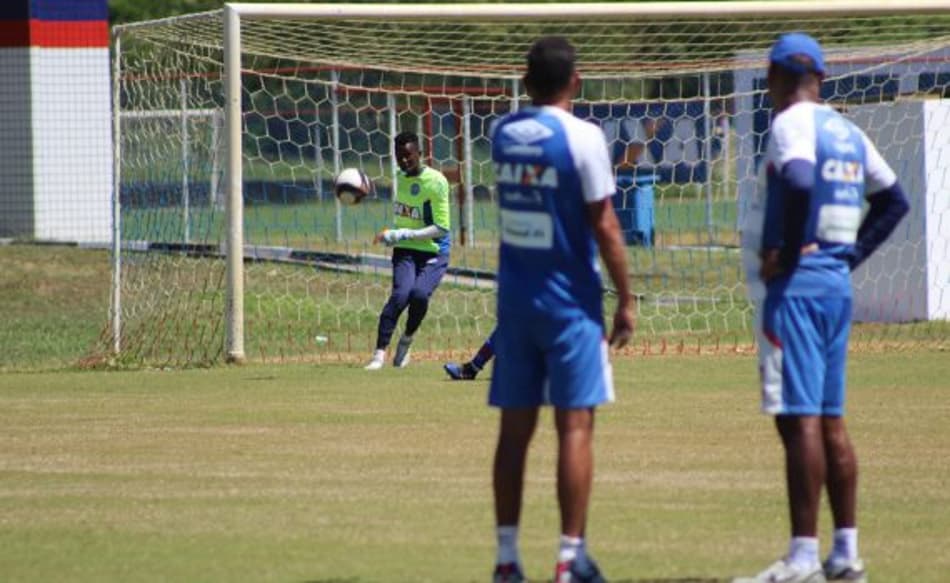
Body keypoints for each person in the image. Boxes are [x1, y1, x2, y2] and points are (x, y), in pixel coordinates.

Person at [736, 33, 909, 583]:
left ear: (775, 78)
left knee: (798, 419)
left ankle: (803, 558)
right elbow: (893, 199)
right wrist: (849, 254)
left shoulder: (792, 123)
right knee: (830, 419)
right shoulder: (848, 129)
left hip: (796, 290)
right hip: (834, 286)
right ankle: (846, 553)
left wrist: (782, 248)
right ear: (824, 79)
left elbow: (799, 179)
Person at [488, 37, 634, 583]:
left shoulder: (503, 135)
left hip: (516, 302)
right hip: (571, 303)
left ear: (525, 81)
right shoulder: (584, 138)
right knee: (575, 428)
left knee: (513, 431)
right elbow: (605, 225)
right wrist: (626, 298)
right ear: (576, 80)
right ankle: (570, 558)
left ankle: (506, 559)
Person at [364, 131, 451, 370]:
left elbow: (442, 228)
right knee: (401, 295)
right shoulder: (399, 177)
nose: (404, 161)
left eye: (408, 156)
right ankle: (379, 355)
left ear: (420, 155)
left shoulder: (436, 182)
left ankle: (407, 339)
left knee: (420, 295)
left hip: (434, 251)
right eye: (399, 156)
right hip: (405, 251)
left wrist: (400, 234)